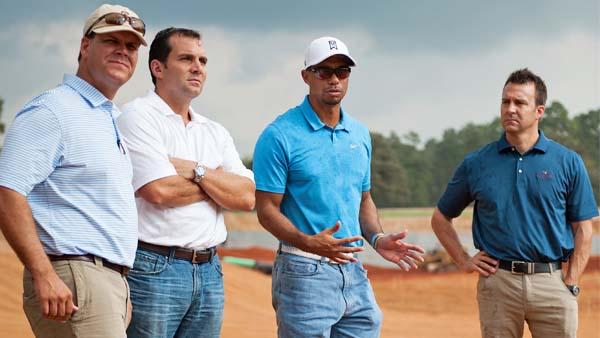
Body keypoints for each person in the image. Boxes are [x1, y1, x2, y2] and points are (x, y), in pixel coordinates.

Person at [253, 36, 425, 338]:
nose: (334, 79)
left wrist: (377, 237)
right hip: (303, 269)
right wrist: (308, 241)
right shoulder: (279, 135)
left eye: (342, 71)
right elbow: (266, 209)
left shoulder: (359, 134)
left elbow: (364, 199)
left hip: (353, 270)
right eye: (324, 71)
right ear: (306, 75)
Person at [0, 4, 147, 337]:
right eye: (113, 42)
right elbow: (7, 190)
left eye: (131, 46)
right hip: (74, 274)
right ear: (85, 46)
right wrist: (44, 273)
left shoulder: (107, 117)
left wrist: (116, 284)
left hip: (103, 281)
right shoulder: (53, 110)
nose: (123, 51)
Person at [431, 68, 599, 338]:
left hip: (552, 283)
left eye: (520, 102)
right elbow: (440, 218)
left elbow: (584, 228)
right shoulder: (477, 163)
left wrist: (572, 281)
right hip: (498, 283)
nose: (510, 109)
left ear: (539, 111)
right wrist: (463, 260)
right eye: (505, 101)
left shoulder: (567, 162)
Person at [117, 27, 255, 338]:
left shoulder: (214, 131)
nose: (198, 67)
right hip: (154, 268)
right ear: (158, 67)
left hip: (210, 269)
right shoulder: (137, 117)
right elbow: (159, 191)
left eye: (203, 60)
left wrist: (195, 171)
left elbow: (246, 197)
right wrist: (218, 184)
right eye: (186, 58)